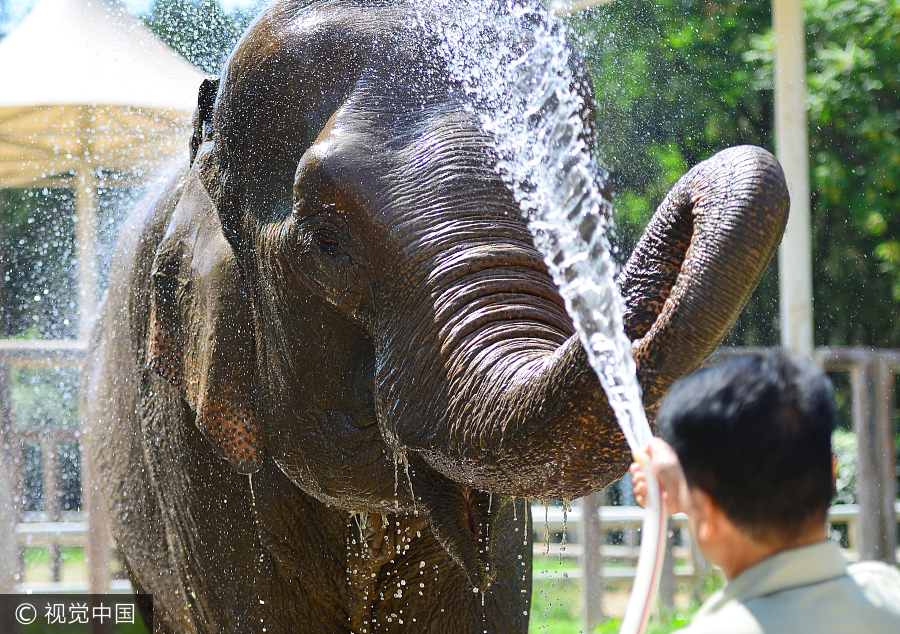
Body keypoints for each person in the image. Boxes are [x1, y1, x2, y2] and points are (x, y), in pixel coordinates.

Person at [630, 351, 900, 633]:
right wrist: (692, 489)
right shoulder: (888, 595)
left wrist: (695, 491)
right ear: (832, 474)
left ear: (708, 508)